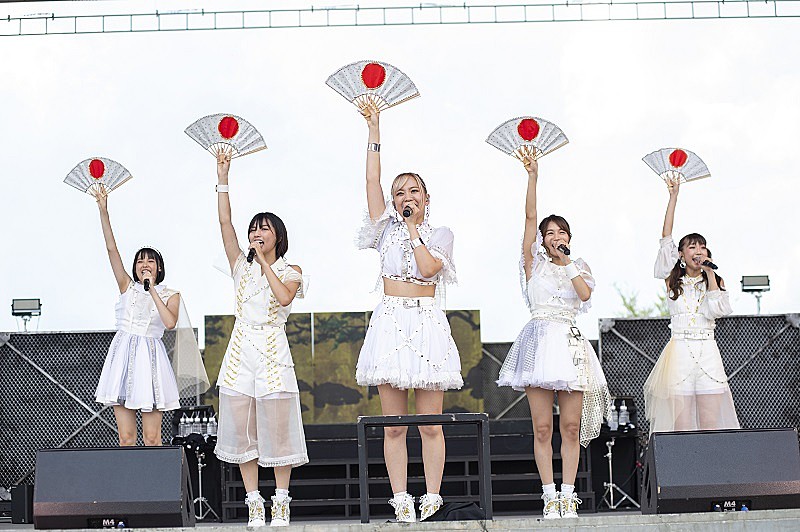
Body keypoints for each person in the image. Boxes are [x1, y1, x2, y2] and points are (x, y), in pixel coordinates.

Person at [355, 104, 462, 522]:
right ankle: (400, 498)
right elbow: (371, 179)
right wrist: (374, 130)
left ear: (426, 199)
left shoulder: (440, 234)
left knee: (430, 423)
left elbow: (430, 269)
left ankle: (432, 496)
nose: (405, 197)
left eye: (413, 191)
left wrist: (414, 229)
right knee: (394, 424)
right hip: (391, 321)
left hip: (426, 321)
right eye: (399, 192)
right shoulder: (383, 228)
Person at [497, 156, 610, 519]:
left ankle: (568, 494)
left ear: (569, 238)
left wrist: (568, 262)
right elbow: (529, 217)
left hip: (571, 345)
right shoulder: (533, 263)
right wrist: (533, 177)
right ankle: (549, 495)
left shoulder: (580, 266)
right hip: (540, 342)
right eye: (550, 233)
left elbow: (585, 294)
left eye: (562, 232)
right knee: (543, 427)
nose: (555, 237)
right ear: (543, 240)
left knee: (571, 427)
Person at [212, 153, 307, 527]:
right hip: (240, 352)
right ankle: (254, 501)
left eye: (263, 229)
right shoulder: (240, 265)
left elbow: (283, 298)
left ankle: (281, 501)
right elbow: (225, 223)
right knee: (242, 431)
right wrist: (222, 177)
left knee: (278, 429)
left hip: (272, 351)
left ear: (277, 236)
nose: (255, 233)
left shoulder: (290, 269)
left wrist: (265, 261)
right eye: (253, 228)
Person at [93, 191, 195, 447]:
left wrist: (152, 290)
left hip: (151, 359)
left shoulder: (171, 294)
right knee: (126, 438)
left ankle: (155, 474)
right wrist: (103, 210)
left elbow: (169, 323)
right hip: (123, 357)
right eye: (140, 261)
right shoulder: (127, 286)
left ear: (159, 267)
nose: (144, 264)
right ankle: (127, 474)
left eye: (150, 260)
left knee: (152, 437)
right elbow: (111, 249)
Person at [643, 176, 739, 434]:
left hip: (708, 350)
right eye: (693, 247)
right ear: (681, 254)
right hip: (680, 351)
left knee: (709, 423)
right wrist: (673, 197)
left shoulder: (715, 280)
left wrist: (710, 275)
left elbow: (716, 311)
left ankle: (711, 461)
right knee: (682, 425)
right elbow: (666, 238)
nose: (699, 251)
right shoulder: (672, 279)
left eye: (703, 247)